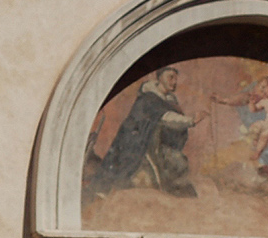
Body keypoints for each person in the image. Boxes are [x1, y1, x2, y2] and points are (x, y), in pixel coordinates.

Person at [85, 65, 203, 199]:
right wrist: (191, 120)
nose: (174, 81)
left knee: (178, 162)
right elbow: (166, 117)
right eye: (170, 77)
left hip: (156, 144)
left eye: (176, 78)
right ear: (159, 78)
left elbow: (171, 123)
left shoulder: (170, 101)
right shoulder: (149, 99)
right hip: (138, 144)